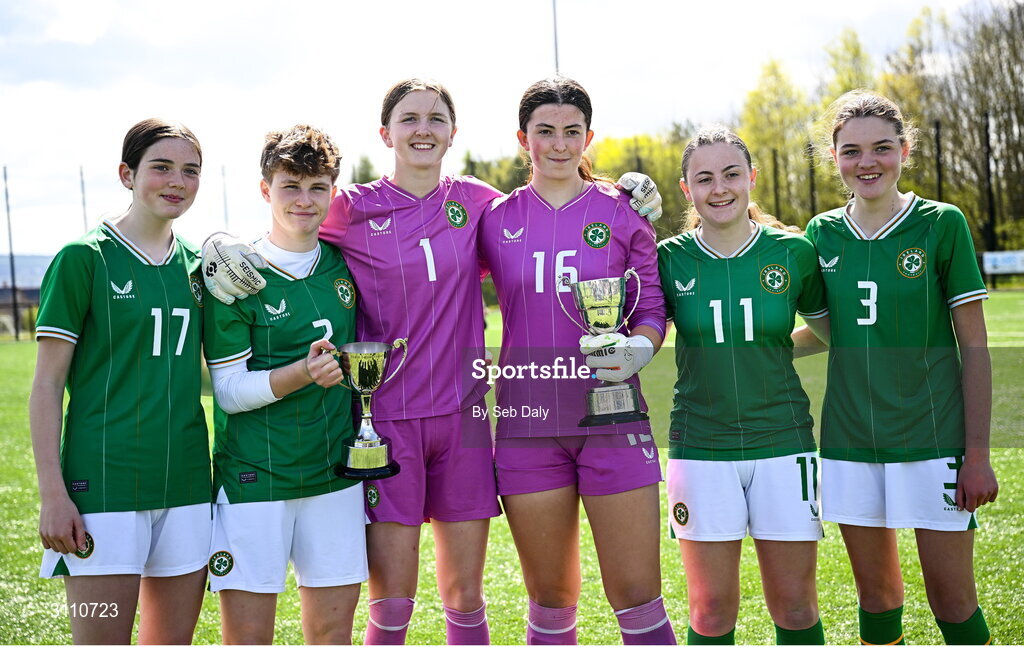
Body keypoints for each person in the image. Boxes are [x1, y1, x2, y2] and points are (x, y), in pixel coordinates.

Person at [201, 78, 663, 645]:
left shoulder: (476, 203)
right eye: (410, 118)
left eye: (435, 118)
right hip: (385, 422)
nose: (423, 128)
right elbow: (288, 223)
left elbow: (554, 206)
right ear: (386, 132)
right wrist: (223, 244)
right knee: (391, 604)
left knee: (466, 597)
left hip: (465, 420)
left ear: (452, 132)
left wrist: (624, 190)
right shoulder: (349, 209)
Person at [477, 77, 676, 645]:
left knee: (638, 596)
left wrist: (636, 349)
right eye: (545, 132)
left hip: (613, 418)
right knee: (550, 598)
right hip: (527, 426)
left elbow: (652, 307)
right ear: (523, 139)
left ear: (590, 137)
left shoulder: (621, 210)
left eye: (572, 132)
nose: (560, 145)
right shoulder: (495, 219)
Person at [804, 90, 998, 645]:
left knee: (952, 599)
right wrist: (751, 346)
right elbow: (834, 333)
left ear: (905, 151)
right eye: (852, 151)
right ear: (834, 157)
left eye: (882, 148)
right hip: (849, 439)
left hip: (932, 437)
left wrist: (977, 456)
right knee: (877, 597)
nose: (868, 162)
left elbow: (976, 351)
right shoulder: (821, 235)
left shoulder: (941, 224)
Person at [29, 118, 211, 644]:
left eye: (190, 171)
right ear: (127, 174)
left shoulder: (200, 268)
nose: (176, 181)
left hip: (186, 487)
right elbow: (46, 387)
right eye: (161, 167)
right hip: (104, 490)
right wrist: (53, 494)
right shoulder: (83, 259)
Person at [657, 126, 829, 645]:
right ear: (687, 189)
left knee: (796, 608)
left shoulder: (793, 252)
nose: (720, 188)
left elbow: (827, 333)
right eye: (704, 178)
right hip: (700, 445)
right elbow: (642, 333)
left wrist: (763, 345)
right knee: (710, 612)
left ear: (751, 177)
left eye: (732, 174)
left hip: (783, 440)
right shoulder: (668, 259)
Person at [202, 125, 366, 644]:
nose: (304, 200)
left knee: (332, 635)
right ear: (264, 189)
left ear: (333, 193)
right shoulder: (235, 273)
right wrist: (303, 374)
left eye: (317, 187)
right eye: (290, 185)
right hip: (257, 478)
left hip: (335, 475)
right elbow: (227, 391)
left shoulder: (346, 264)